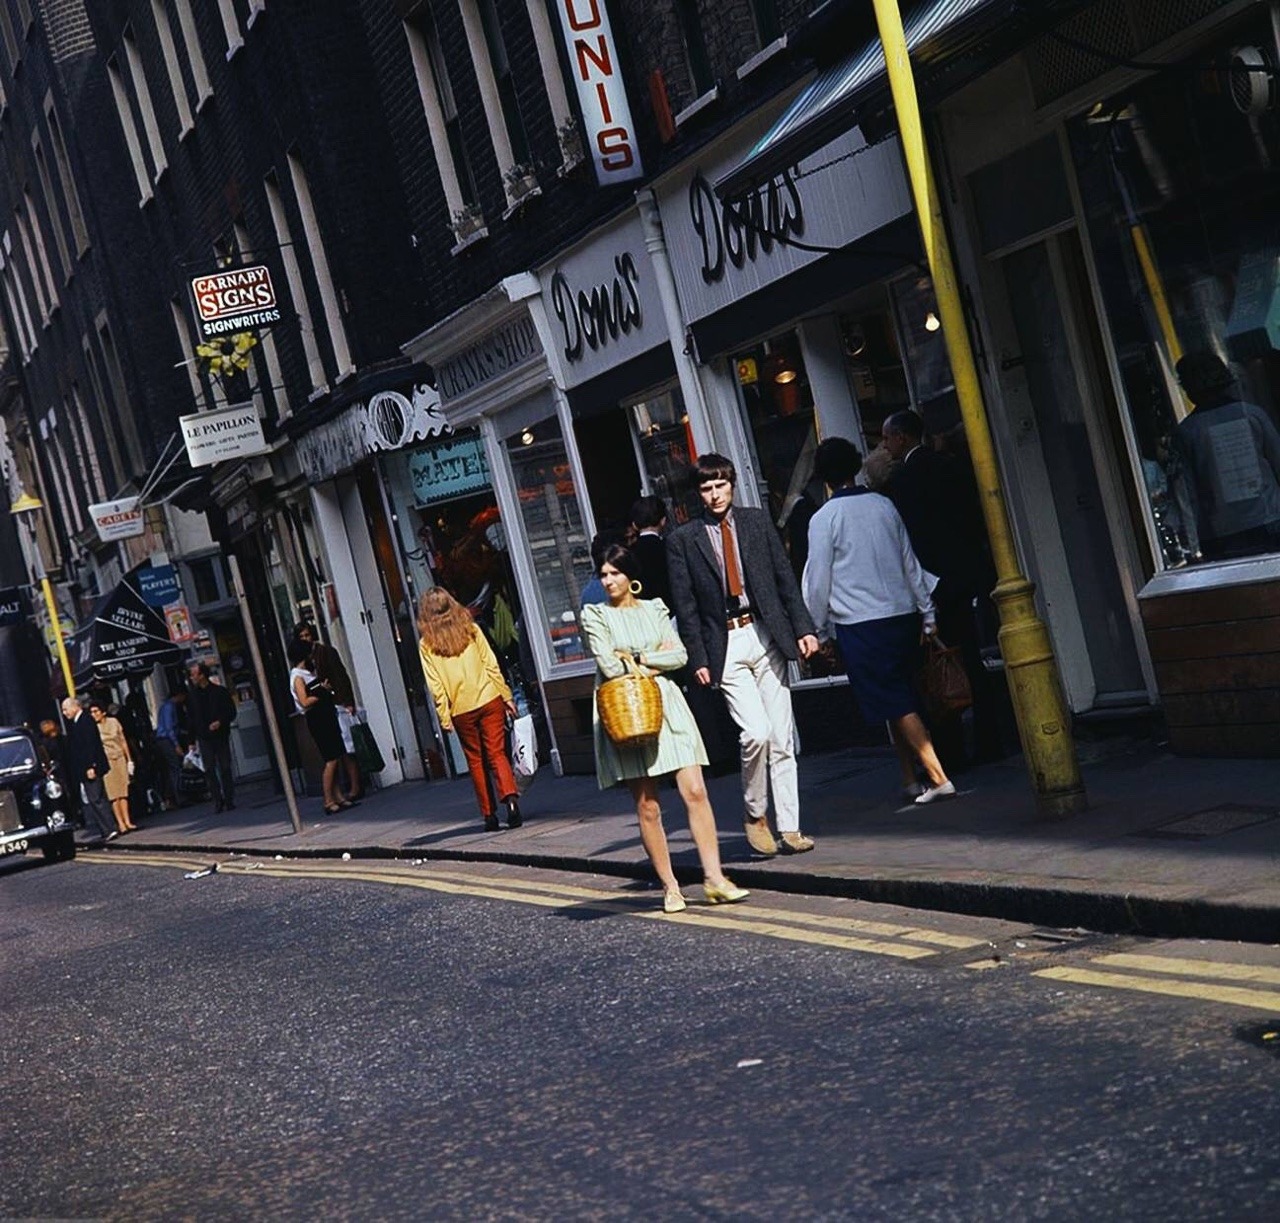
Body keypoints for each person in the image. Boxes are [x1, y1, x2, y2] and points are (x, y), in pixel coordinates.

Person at [580, 537, 748, 913]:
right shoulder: (595, 615)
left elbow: (681, 655)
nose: (607, 581)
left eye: (615, 574)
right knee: (649, 806)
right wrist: (655, 663)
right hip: (628, 712)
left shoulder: (656, 608)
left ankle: (715, 879)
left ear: (630, 576)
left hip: (669, 707)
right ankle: (671, 886)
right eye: (603, 574)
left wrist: (637, 657)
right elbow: (607, 665)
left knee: (696, 792)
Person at [666, 452, 820, 857]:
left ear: (732, 484)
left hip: (766, 633)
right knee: (756, 732)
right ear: (698, 493)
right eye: (706, 488)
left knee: (783, 738)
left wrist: (803, 628)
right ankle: (755, 814)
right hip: (726, 644)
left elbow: (784, 577)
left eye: (720, 485)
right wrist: (697, 658)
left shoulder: (755, 521)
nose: (715, 495)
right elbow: (686, 606)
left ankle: (790, 828)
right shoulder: (683, 539)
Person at [803, 437, 954, 805]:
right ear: (855, 466)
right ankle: (908, 777)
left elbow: (818, 580)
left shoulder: (824, 519)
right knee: (898, 696)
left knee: (894, 701)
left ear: (822, 476)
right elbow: (909, 562)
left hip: (860, 622)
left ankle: (937, 776)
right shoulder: (884, 505)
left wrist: (819, 630)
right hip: (901, 615)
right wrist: (927, 613)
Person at [882, 409, 999, 767]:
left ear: (902, 437)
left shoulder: (901, 483)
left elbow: (907, 542)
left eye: (887, 439)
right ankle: (991, 739)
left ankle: (951, 750)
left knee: (938, 664)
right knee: (972, 660)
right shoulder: (951, 467)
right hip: (964, 576)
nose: (884, 447)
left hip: (931, 585)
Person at [418, 587, 522, 832]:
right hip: (489, 698)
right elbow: (491, 664)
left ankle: (489, 815)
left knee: (476, 760)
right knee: (497, 753)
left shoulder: (427, 644)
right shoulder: (471, 629)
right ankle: (512, 803)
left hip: (461, 708)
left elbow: (436, 685)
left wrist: (444, 716)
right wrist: (506, 695)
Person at [1172, 351, 1280, 560]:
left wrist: (1194, 545)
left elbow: (1186, 495)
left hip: (1223, 533)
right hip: (1270, 518)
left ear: (1188, 387)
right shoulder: (1251, 414)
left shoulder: (1188, 431)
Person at [292, 621, 362, 802]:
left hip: (335, 704)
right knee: (334, 755)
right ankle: (331, 799)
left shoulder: (325, 652)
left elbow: (340, 676)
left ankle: (349, 790)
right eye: (302, 638)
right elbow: (305, 699)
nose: (306, 640)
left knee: (345, 750)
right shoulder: (302, 670)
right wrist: (321, 692)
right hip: (321, 712)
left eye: (307, 635)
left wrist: (347, 701)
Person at [62, 697, 115, 842]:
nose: (64, 713)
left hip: (90, 767)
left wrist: (91, 766)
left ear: (74, 707)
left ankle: (109, 829)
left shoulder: (85, 720)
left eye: (65, 709)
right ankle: (107, 829)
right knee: (97, 798)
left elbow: (90, 745)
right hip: (85, 768)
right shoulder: (77, 722)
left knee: (96, 799)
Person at [187, 663, 237, 812]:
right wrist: (191, 741)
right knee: (209, 769)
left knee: (225, 767)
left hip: (220, 735)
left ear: (202, 675)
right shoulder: (192, 696)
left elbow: (231, 712)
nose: (192, 677)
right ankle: (217, 800)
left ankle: (229, 798)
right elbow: (190, 719)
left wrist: (220, 722)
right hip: (204, 737)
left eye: (194, 674)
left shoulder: (219, 692)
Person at [90, 700, 136, 833]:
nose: (93, 714)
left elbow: (123, 740)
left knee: (123, 791)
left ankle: (128, 821)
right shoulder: (94, 728)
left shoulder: (114, 722)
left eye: (96, 711)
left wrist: (129, 759)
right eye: (91, 712)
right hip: (107, 760)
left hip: (120, 757)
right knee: (113, 794)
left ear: (103, 712)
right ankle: (120, 823)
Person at [628, 495, 672, 605]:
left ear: (635, 525)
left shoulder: (628, 553)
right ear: (663, 521)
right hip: (670, 610)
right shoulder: (669, 547)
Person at [154, 688, 189, 809]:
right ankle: (180, 797)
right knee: (176, 767)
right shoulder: (170, 707)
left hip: (162, 739)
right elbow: (169, 728)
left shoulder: (164, 706)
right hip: (166, 740)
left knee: (170, 768)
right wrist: (176, 745)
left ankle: (171, 797)